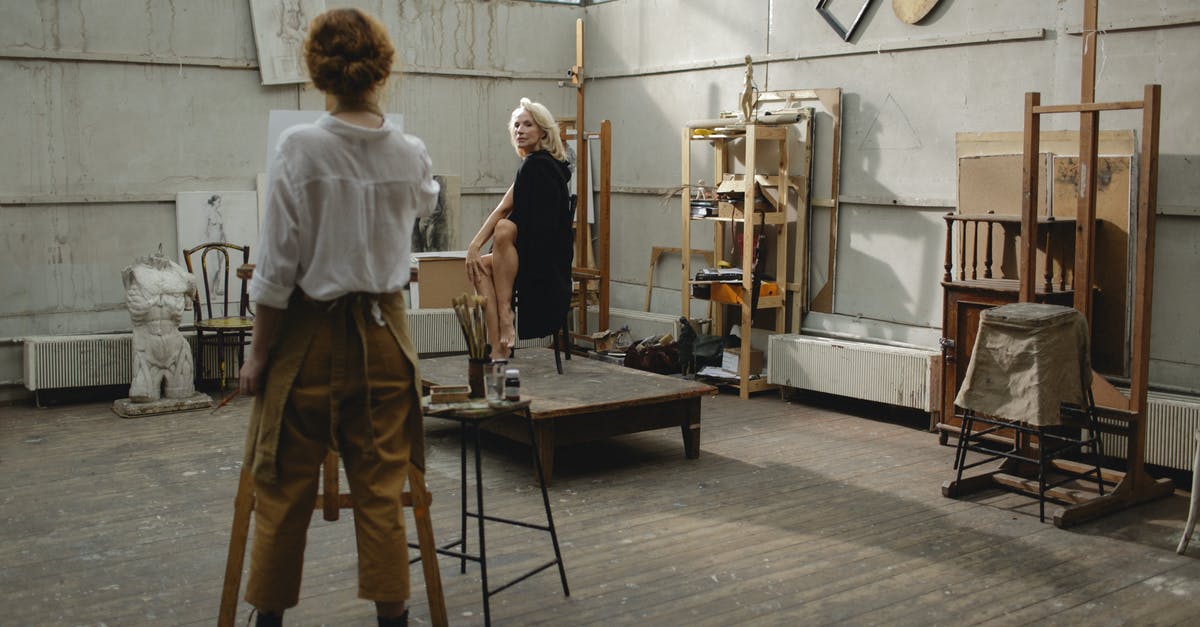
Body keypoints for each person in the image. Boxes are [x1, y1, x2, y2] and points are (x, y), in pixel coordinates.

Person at [237, 8, 438, 627]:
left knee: (281, 486)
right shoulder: (409, 153)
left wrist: (258, 355)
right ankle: (393, 619)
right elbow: (426, 200)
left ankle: (268, 619)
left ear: (318, 70)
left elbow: (274, 270)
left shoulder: (301, 148)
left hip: (309, 341)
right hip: (384, 339)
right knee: (381, 492)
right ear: (381, 68)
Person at [465, 98, 574, 359]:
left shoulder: (538, 165)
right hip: (525, 256)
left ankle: (504, 318)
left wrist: (477, 246)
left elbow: (512, 217)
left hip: (543, 261)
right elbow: (504, 206)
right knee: (479, 264)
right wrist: (474, 246)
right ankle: (498, 346)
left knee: (502, 230)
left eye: (528, 124)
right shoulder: (538, 164)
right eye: (516, 125)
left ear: (543, 131)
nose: (520, 130)